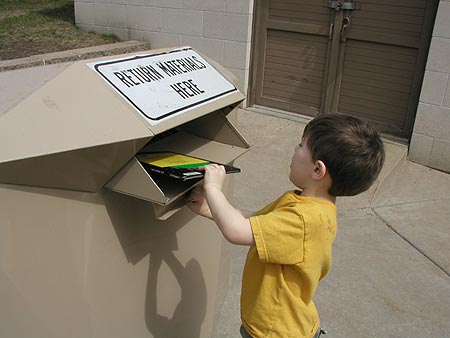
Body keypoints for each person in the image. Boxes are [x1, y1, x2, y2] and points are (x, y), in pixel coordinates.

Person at [187, 113, 385, 338]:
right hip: (285, 324)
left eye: (301, 145)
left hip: (277, 331)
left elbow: (236, 231)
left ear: (317, 170)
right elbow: (256, 224)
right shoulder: (310, 206)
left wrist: (213, 188)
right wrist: (207, 209)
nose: (295, 149)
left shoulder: (304, 220)